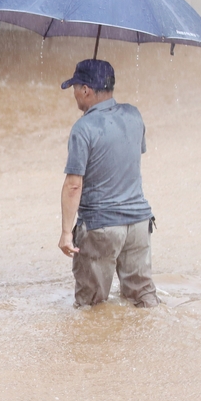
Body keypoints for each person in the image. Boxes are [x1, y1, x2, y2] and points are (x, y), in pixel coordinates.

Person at [58, 59, 160, 308]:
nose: (73, 94)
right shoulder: (134, 115)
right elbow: (131, 156)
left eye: (75, 87)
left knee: (90, 307)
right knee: (144, 299)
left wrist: (65, 233)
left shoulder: (83, 128)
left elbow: (73, 185)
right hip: (138, 224)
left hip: (101, 228)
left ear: (86, 90)